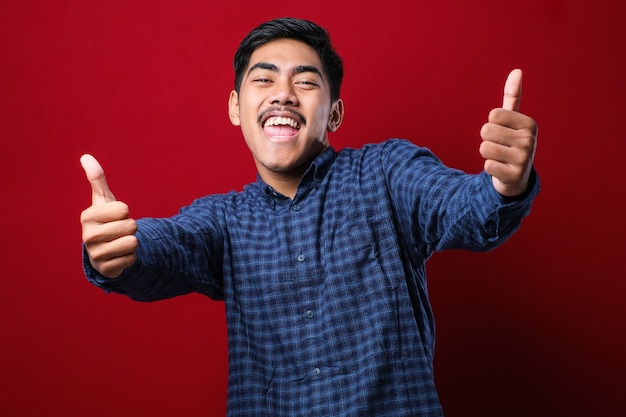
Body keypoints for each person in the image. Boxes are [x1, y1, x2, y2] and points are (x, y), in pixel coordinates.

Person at [80, 17, 539, 416]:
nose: (283, 94)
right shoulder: (225, 221)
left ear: (334, 113)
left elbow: (464, 208)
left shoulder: (386, 173)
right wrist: (120, 250)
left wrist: (503, 184)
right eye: (263, 80)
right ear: (236, 108)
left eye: (305, 81)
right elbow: (172, 245)